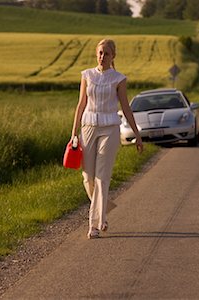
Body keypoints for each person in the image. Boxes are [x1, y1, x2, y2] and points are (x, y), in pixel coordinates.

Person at [70, 39, 143, 239]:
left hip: (110, 129)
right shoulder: (87, 75)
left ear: (113, 57)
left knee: (102, 178)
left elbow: (126, 107)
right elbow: (81, 104)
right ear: (96, 54)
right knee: (88, 177)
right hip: (88, 128)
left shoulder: (119, 79)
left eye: (107, 54)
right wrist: (73, 133)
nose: (103, 57)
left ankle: (95, 223)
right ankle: (103, 207)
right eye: (100, 53)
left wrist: (137, 135)